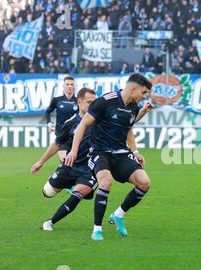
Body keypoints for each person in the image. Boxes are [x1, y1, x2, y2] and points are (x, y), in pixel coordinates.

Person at [64, 74, 154, 241]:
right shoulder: (106, 101)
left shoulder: (134, 107)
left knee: (144, 182)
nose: (144, 96)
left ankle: (118, 215)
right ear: (133, 89)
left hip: (120, 152)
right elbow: (83, 124)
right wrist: (73, 151)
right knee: (105, 182)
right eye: (143, 92)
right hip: (99, 152)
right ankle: (97, 229)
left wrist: (135, 152)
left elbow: (127, 126)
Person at [31, 88, 98, 231]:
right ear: (79, 102)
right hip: (69, 166)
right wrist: (41, 162)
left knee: (78, 195)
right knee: (47, 193)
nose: (93, 105)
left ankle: (50, 222)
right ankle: (70, 184)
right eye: (89, 102)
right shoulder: (71, 122)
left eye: (94, 102)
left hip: (89, 170)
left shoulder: (99, 121)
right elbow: (57, 143)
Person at [45, 76, 78, 162]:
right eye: (67, 84)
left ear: (74, 86)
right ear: (63, 86)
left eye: (71, 84)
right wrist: (49, 123)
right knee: (64, 161)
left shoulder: (78, 101)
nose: (69, 86)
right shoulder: (57, 100)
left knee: (74, 162)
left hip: (75, 136)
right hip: (61, 136)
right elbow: (47, 112)